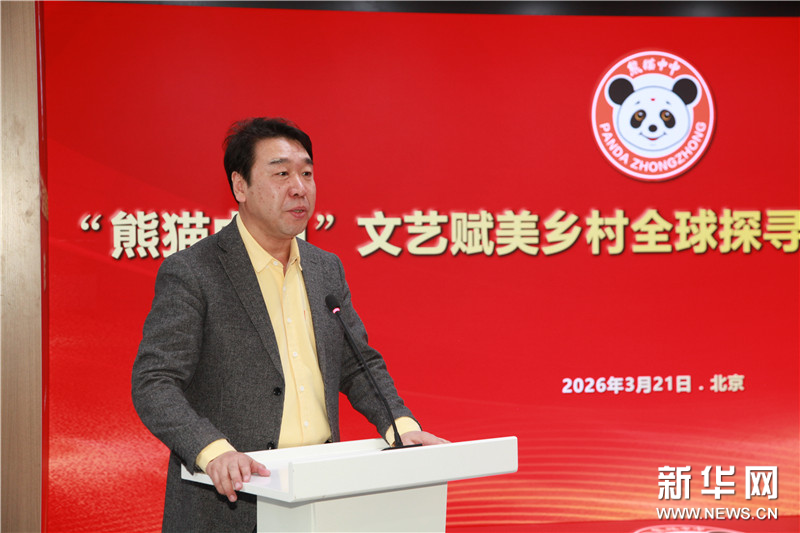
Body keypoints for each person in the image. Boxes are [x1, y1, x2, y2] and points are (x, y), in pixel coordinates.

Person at [131, 117, 446, 532]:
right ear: (240, 186)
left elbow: (357, 364)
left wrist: (400, 426)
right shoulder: (194, 271)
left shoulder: (325, 268)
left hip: (318, 497)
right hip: (228, 504)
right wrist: (212, 451)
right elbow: (154, 382)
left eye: (307, 173)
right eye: (281, 174)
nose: (299, 188)